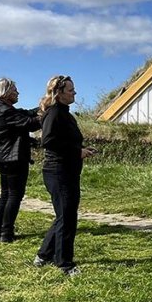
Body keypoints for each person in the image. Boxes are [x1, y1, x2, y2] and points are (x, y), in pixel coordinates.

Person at [33, 76, 95, 276]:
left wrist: (81, 148)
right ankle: (64, 263)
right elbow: (49, 141)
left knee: (64, 215)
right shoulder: (54, 113)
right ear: (58, 93)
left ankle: (43, 255)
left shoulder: (66, 114)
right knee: (67, 217)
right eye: (71, 90)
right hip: (57, 171)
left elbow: (64, 140)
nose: (74, 93)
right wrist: (76, 151)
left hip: (67, 170)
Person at [0, 78, 42, 242]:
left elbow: (24, 113)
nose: (18, 93)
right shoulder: (6, 111)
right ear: (6, 93)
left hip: (3, 157)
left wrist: (41, 108)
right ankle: (7, 232)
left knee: (5, 194)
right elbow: (30, 123)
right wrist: (47, 114)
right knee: (14, 195)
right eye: (15, 90)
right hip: (13, 158)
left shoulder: (0, 108)